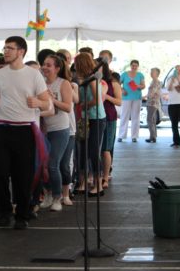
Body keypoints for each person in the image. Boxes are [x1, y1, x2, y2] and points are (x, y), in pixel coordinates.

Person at [0, 36, 50, 229]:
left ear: (21, 51)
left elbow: (47, 102)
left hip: (25, 130)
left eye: (10, 48)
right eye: (4, 48)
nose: (6, 51)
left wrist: (38, 103)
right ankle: (3, 210)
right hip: (2, 128)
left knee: (23, 176)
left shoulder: (33, 75)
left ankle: (22, 214)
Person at [40, 54, 73, 211]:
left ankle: (57, 197)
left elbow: (68, 107)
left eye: (48, 65)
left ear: (57, 68)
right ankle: (47, 194)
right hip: (44, 129)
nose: (44, 67)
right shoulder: (40, 83)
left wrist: (52, 100)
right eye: (44, 64)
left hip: (60, 129)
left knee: (53, 164)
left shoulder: (63, 83)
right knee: (43, 165)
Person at [74, 52, 107, 195]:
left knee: (93, 151)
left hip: (97, 118)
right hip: (85, 118)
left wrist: (84, 105)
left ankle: (98, 184)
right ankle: (82, 183)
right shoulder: (84, 79)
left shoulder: (93, 79)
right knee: (83, 152)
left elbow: (98, 99)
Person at [101, 61, 121, 188]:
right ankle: (96, 175)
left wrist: (106, 96)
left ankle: (105, 176)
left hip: (109, 117)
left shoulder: (113, 83)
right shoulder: (92, 82)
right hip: (94, 117)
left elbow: (119, 102)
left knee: (106, 148)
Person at [118, 60, 145, 142]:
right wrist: (122, 90)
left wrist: (138, 86)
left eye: (136, 65)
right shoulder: (124, 74)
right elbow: (117, 83)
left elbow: (143, 86)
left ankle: (134, 136)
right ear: (130, 65)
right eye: (133, 65)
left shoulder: (140, 75)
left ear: (138, 66)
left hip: (137, 97)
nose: (134, 67)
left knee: (135, 117)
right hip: (126, 97)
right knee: (124, 116)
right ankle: (121, 135)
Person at [145, 67, 162, 143]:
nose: (151, 73)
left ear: (157, 74)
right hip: (153, 103)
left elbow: (152, 93)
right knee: (153, 120)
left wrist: (144, 97)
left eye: (153, 72)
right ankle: (153, 136)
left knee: (149, 119)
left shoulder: (155, 82)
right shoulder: (154, 81)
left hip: (152, 103)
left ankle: (152, 136)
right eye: (151, 72)